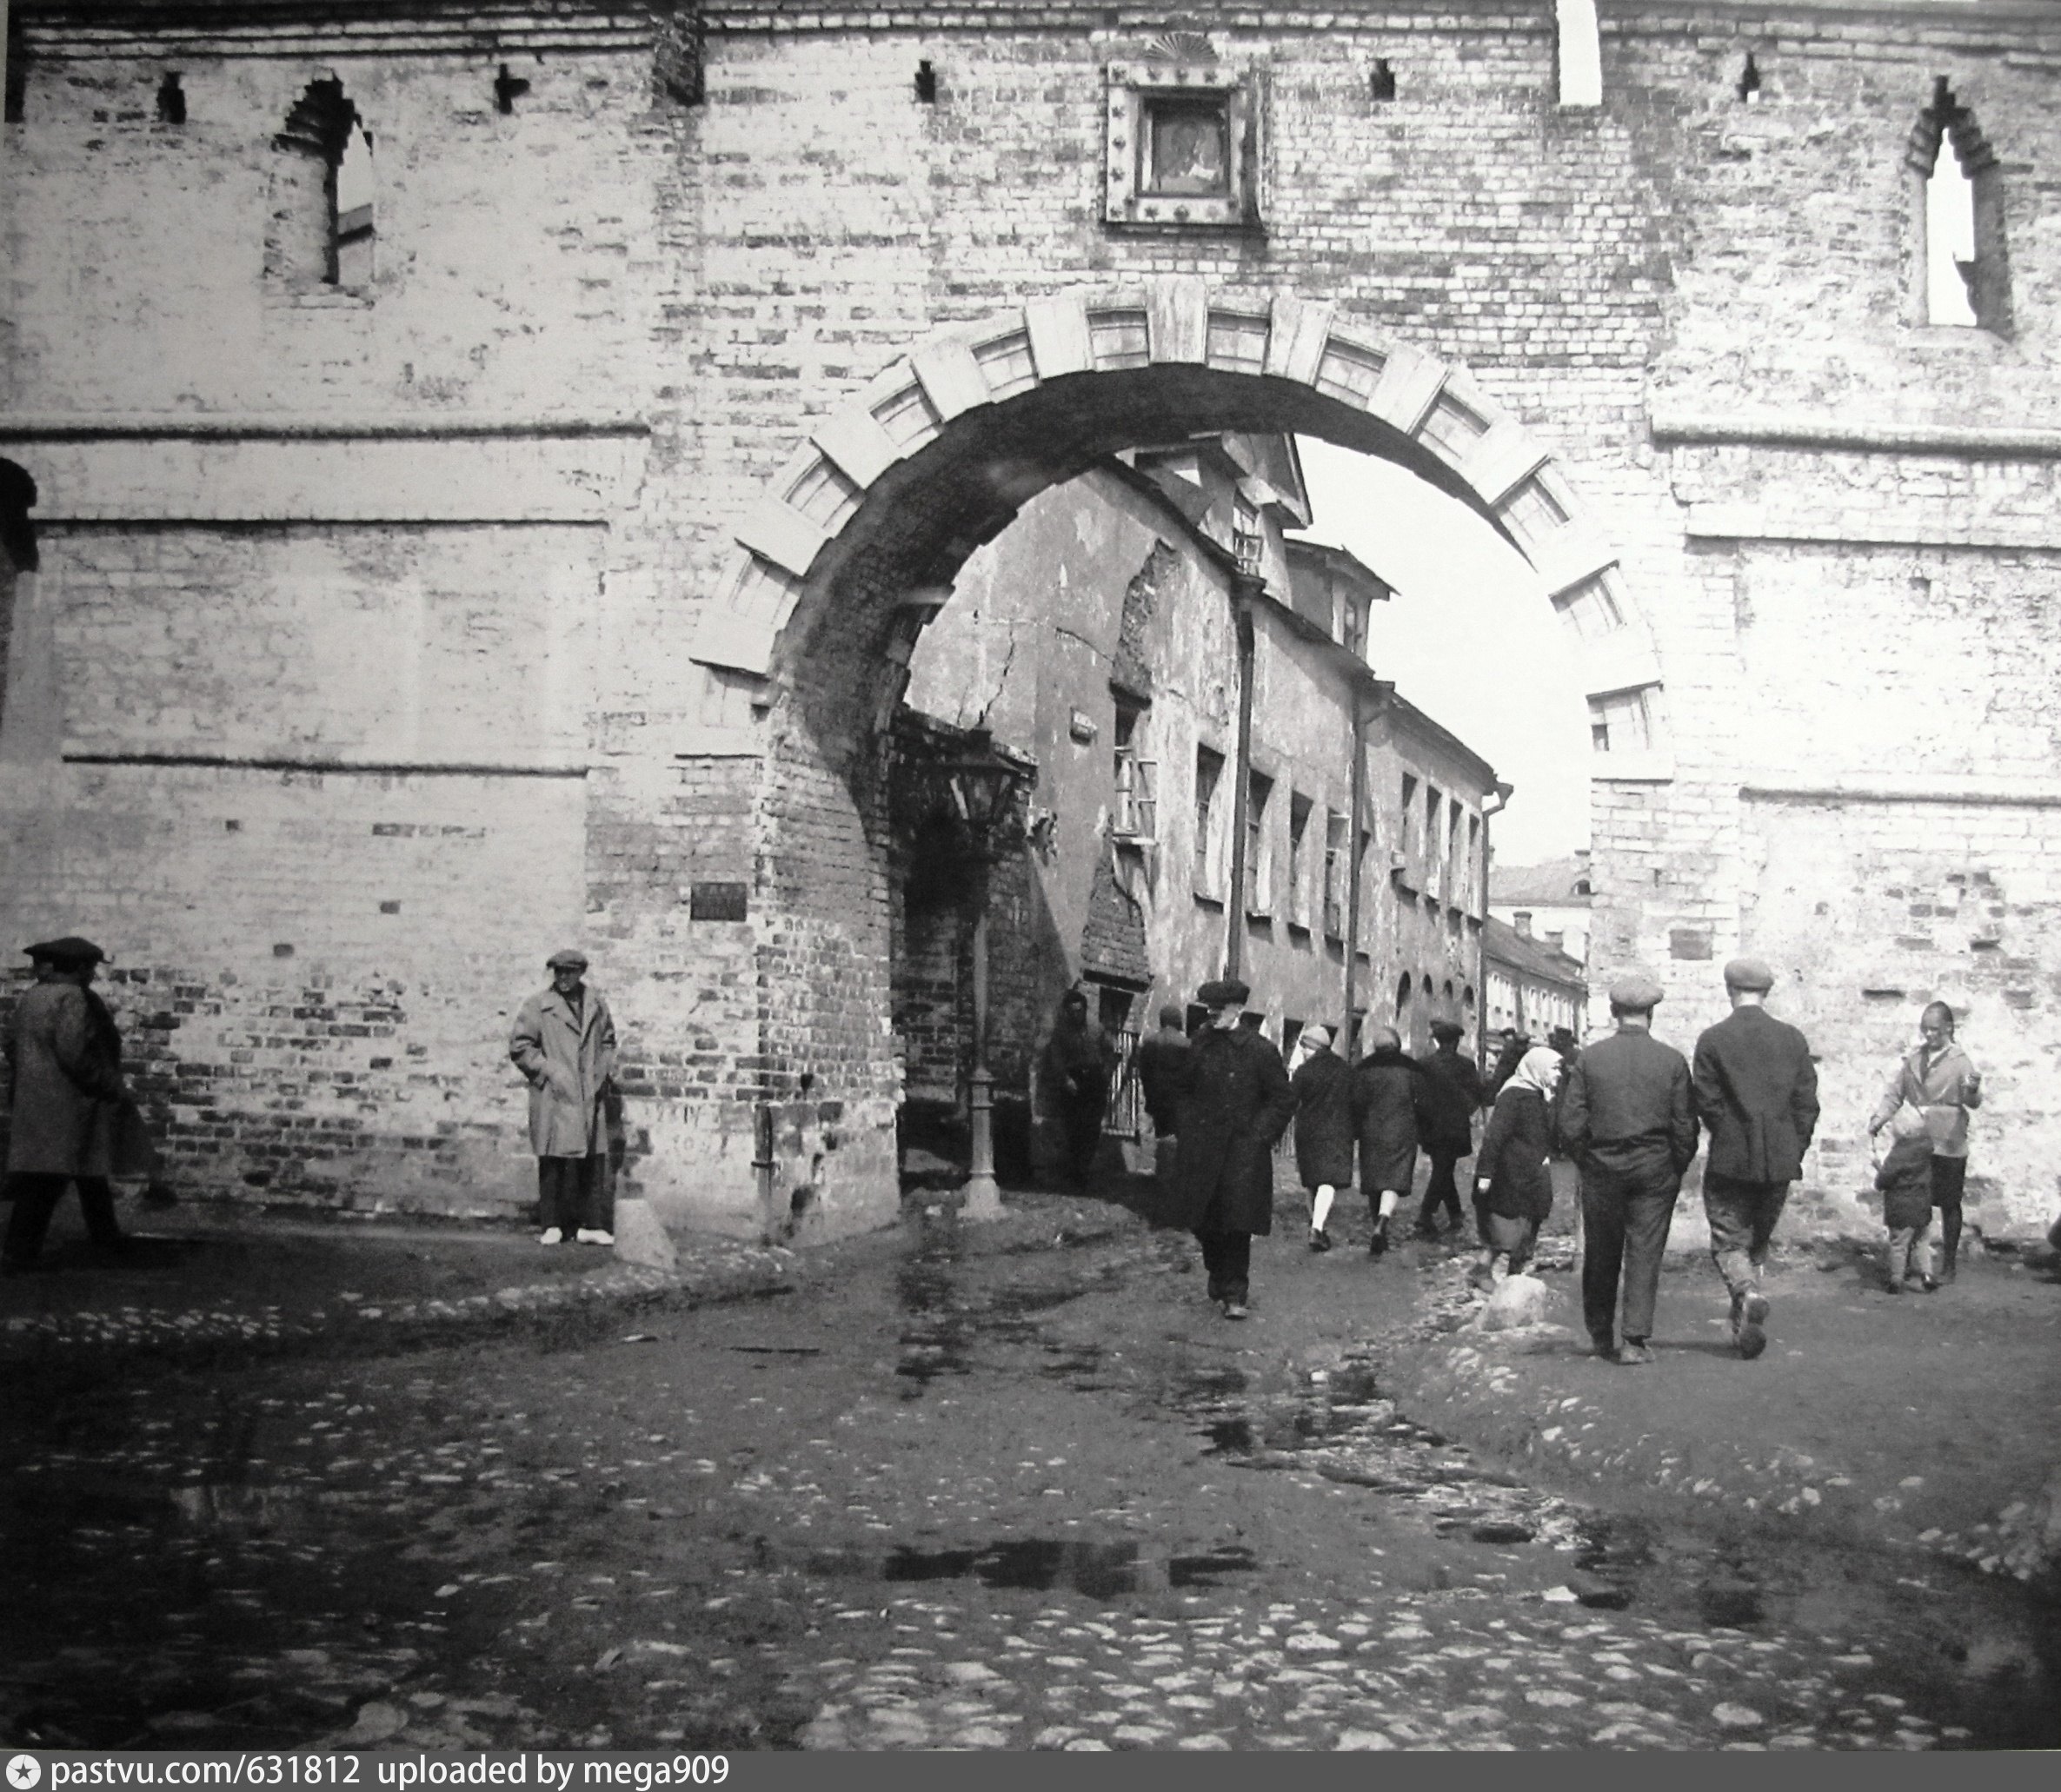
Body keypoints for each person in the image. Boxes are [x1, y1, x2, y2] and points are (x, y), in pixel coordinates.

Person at [1557, 974, 1699, 1365]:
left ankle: (1600, 1333)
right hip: (1655, 1166)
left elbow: (1570, 1121)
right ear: (1650, 1013)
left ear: (1614, 1012)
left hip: (1602, 1164)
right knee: (1645, 1250)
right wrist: (1676, 1164)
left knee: (1602, 1249)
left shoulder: (1591, 1058)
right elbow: (1685, 1123)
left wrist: (1586, 1158)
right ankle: (1634, 1340)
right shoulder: (1671, 1060)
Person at [1692, 956, 1819, 1359]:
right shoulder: (1793, 1039)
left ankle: (1746, 1296)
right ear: (1767, 992)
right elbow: (1806, 1105)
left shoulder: (1713, 1040)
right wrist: (1793, 1147)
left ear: (1731, 991)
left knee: (1729, 1244)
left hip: (1731, 1159)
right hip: (1779, 1160)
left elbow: (1707, 1102)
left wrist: (1728, 1135)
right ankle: (1742, 1327)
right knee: (1755, 1246)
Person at [1160, 978, 1294, 1319]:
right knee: (1202, 1221)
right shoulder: (1201, 1044)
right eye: (1209, 1009)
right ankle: (1217, 1271)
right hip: (1202, 1149)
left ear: (1237, 1010)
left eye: (1218, 1010)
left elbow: (1281, 1099)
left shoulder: (1259, 1050)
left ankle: (1236, 1293)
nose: (1212, 1015)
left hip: (1242, 1151)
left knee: (1237, 1223)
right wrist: (1186, 1125)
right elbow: (1183, 1089)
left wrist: (1260, 1134)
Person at [3, 937, 133, 1273]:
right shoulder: (73, 998)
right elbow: (74, 1052)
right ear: (77, 968)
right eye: (89, 967)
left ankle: (105, 1236)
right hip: (69, 1102)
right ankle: (20, 1252)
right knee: (49, 1179)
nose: (92, 974)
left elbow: (11, 1044)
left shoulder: (33, 996)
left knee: (83, 1171)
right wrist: (105, 1083)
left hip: (36, 1100)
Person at [509, 948, 618, 1246]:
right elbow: (520, 1047)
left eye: (569, 972)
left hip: (589, 1092)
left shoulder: (596, 1004)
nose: (563, 978)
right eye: (558, 972)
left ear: (580, 973)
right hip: (554, 1095)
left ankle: (590, 1224)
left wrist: (602, 1069)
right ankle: (551, 1223)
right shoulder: (538, 1006)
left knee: (593, 1160)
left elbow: (608, 1040)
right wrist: (549, 1071)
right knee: (552, 1159)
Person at [1868, 1001, 1983, 1284]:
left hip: (1948, 1138)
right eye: (1925, 1029)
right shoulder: (1915, 1059)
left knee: (1949, 1201)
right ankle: (1912, 1262)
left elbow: (1973, 1101)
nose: (1929, 1035)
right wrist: (1880, 1118)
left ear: (1948, 1029)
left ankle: (1949, 1264)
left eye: (1934, 1030)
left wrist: (1971, 1090)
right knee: (1917, 1201)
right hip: (1917, 1140)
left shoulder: (1960, 1061)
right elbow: (1896, 1093)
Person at [1474, 1045, 1563, 1280]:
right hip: (1511, 1173)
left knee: (1531, 1223)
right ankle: (1481, 1272)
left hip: (1534, 1173)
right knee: (1505, 1233)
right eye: (1553, 1068)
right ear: (1538, 1068)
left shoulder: (1540, 1094)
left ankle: (1516, 1276)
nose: (1558, 1074)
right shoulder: (1514, 1095)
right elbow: (1495, 1135)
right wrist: (1485, 1173)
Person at [1349, 1025, 1419, 1258]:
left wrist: (1357, 1129)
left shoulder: (1363, 1070)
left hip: (1372, 1132)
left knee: (1374, 1182)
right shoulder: (1409, 1069)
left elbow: (1356, 1103)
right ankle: (1383, 1221)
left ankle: (1377, 1226)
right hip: (1401, 1131)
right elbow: (1422, 1100)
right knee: (1393, 1180)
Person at [1413, 1019, 1484, 1239]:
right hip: (1454, 1127)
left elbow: (1419, 1095)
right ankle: (1426, 1213)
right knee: (1443, 1169)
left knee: (1443, 1167)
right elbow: (1476, 1094)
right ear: (1455, 1042)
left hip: (1431, 1126)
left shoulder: (1424, 1064)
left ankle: (1455, 1213)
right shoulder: (1465, 1065)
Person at [1040, 989, 1118, 1188]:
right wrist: (1066, 1079)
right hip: (1073, 1082)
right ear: (1067, 1012)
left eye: (1080, 1010)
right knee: (1074, 1127)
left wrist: (1106, 1074)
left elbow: (1112, 1052)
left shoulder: (1096, 1028)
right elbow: (1056, 1058)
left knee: (1092, 1127)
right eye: (1072, 1011)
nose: (1077, 1014)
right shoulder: (1062, 1032)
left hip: (1094, 1081)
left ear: (1085, 1009)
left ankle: (1084, 1167)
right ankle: (1076, 1170)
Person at [1289, 1025, 1353, 1252]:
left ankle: (1316, 1225)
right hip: (1337, 1129)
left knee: (1312, 1180)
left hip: (1309, 1131)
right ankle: (1317, 1227)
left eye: (1304, 1047)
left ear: (1313, 1047)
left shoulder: (1304, 1071)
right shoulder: (1345, 1069)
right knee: (1328, 1180)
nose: (1303, 1052)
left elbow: (1290, 1100)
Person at [1875, 1106, 1938, 1295]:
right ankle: (1927, 1275)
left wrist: (1878, 1166)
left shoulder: (1898, 1154)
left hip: (1900, 1205)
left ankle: (1896, 1280)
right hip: (1922, 1202)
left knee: (1899, 1244)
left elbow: (1885, 1180)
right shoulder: (1928, 1148)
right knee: (1922, 1241)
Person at [1132, 1003, 1192, 1191]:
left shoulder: (1149, 1043)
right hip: (1179, 1101)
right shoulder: (1187, 1045)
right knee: (1174, 1139)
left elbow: (1143, 1071)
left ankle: (1155, 1173)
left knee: (1157, 1135)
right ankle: (1170, 1178)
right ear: (1178, 1021)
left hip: (1156, 1098)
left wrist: (1150, 1092)